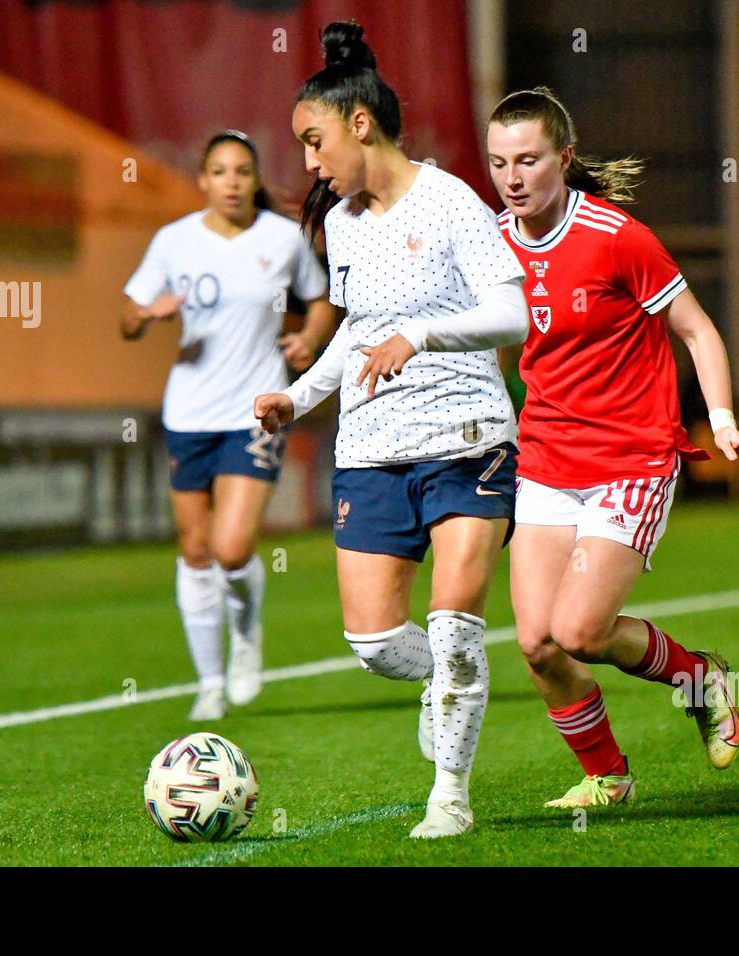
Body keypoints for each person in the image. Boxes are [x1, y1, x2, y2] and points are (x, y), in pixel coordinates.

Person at [253, 21, 529, 838]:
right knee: (374, 643)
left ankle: (450, 793)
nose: (308, 162)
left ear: (360, 124)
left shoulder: (452, 202)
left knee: (452, 631)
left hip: (468, 440)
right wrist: (296, 398)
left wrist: (424, 335)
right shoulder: (342, 222)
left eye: (314, 141)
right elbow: (357, 331)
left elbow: (512, 313)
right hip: (370, 450)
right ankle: (441, 680)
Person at [485, 87, 739, 807]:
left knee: (579, 630)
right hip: (547, 461)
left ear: (565, 158)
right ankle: (606, 775)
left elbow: (698, 329)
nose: (512, 178)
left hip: (631, 460)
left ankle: (700, 680)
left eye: (528, 160)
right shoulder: (492, 241)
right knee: (537, 644)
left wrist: (725, 418)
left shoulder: (615, 236)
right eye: (498, 163)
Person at [122, 129, 335, 721]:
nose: (233, 182)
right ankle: (209, 682)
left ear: (256, 179)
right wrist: (145, 313)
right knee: (195, 550)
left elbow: (321, 299)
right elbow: (127, 315)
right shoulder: (174, 242)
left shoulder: (281, 238)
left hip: (254, 409)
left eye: (243, 171)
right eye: (220, 171)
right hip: (188, 413)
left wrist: (310, 338)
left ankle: (246, 638)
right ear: (204, 180)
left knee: (232, 546)